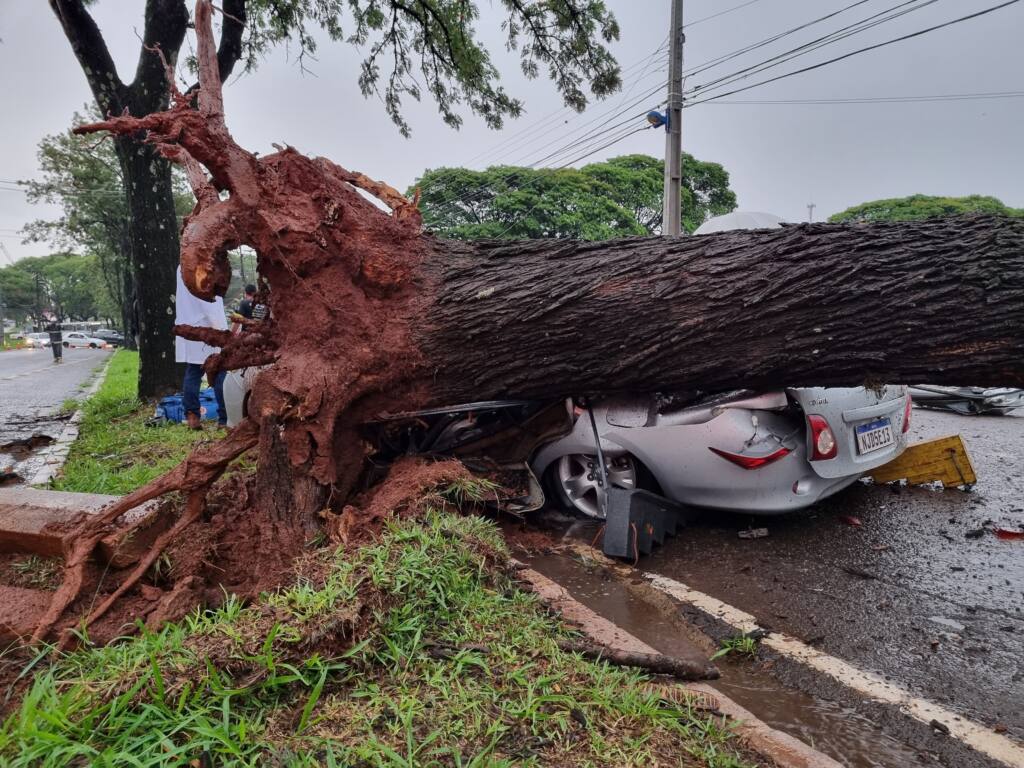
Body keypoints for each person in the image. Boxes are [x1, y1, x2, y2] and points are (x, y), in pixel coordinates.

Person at [175, 266, 228, 430]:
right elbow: (208, 302)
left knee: (193, 371)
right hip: (207, 327)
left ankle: (192, 415)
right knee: (220, 371)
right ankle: (224, 418)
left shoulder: (182, 265)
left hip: (190, 324)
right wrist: (221, 330)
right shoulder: (201, 264)